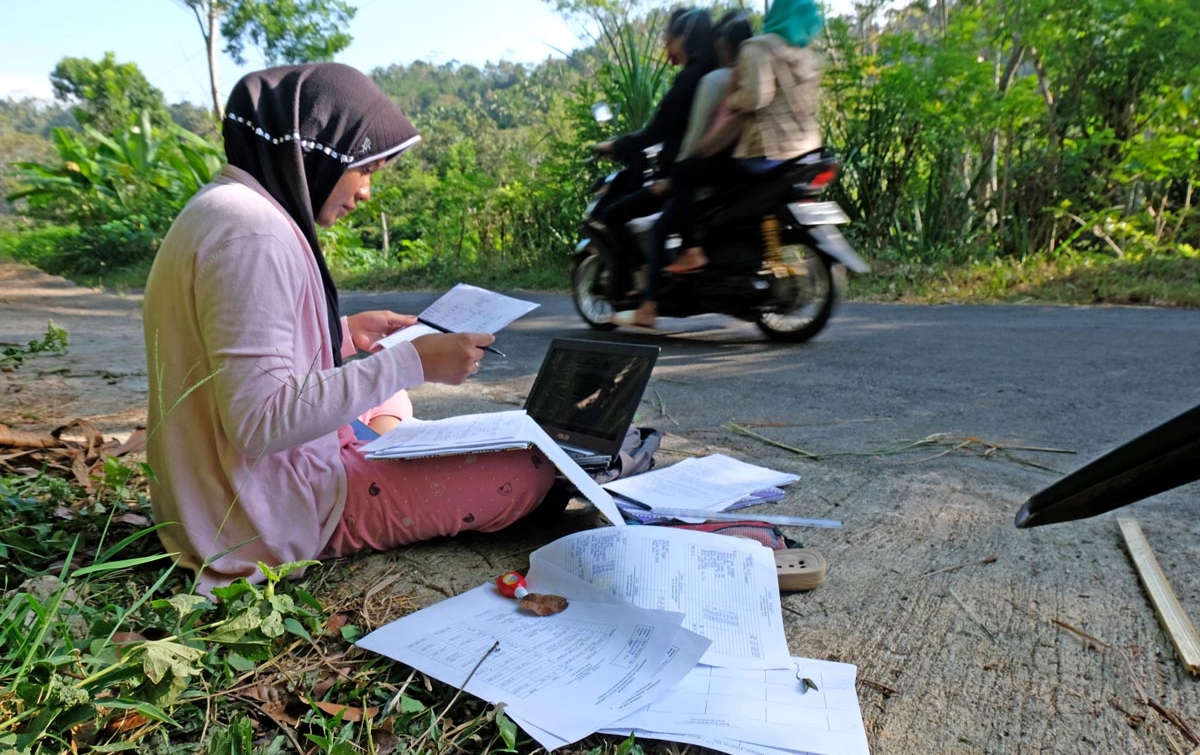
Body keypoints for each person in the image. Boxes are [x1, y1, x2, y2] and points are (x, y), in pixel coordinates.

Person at [142, 63, 555, 595]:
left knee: (392, 394)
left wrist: (340, 335)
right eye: (365, 171)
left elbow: (231, 350)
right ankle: (375, 458)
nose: (365, 193)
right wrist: (416, 360)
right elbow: (260, 422)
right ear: (319, 151)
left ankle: (379, 446)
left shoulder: (224, 207)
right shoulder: (254, 235)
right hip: (257, 517)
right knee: (528, 472)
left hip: (212, 488)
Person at [613, 10, 755, 329]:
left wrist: (675, 172)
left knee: (661, 226)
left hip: (712, 170)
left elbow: (688, 138)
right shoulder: (745, 76)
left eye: (670, 39)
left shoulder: (710, 80)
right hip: (749, 166)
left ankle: (648, 304)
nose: (667, 47)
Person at [663, 0, 825, 276]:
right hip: (807, 151)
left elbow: (756, 98)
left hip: (768, 153)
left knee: (684, 173)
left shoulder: (756, 47)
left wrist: (733, 98)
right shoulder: (804, 55)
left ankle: (692, 251)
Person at [593, 7, 715, 301]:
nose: (665, 46)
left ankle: (644, 277)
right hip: (699, 169)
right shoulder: (711, 74)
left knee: (612, 214)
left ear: (684, 39)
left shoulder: (688, 80)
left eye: (669, 39)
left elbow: (655, 132)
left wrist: (614, 146)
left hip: (682, 174)